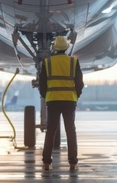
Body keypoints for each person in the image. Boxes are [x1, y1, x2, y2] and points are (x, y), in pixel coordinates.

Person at [39, 36, 84, 171]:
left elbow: (42, 84)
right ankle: (72, 162)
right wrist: (75, 95)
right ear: (66, 48)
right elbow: (79, 83)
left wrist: (46, 96)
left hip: (53, 100)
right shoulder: (73, 62)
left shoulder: (47, 62)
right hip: (69, 100)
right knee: (71, 131)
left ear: (54, 48)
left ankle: (46, 162)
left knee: (51, 131)